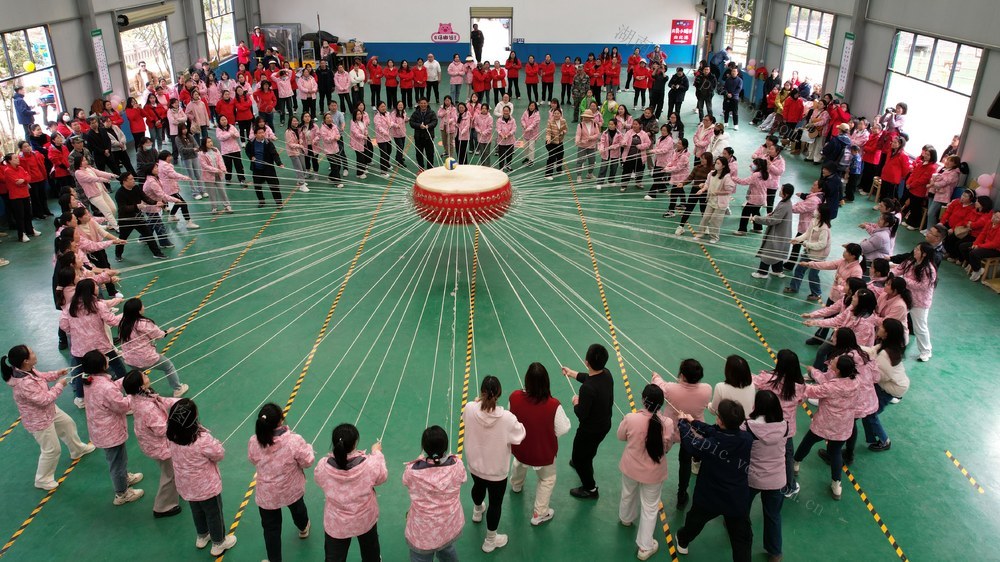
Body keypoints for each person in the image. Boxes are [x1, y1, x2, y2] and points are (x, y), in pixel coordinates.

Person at [2, 345, 95, 490]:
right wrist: (59, 385)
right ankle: (42, 479)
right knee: (51, 449)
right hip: (38, 420)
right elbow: (45, 399)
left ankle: (77, 449)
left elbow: (42, 376)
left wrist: (57, 373)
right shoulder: (24, 383)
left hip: (48, 411)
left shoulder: (26, 370)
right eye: (31, 352)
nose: (34, 353)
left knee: (67, 424)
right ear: (25, 361)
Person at [674, 400, 753, 561]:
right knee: (742, 539)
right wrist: (694, 422)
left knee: (695, 521)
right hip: (736, 498)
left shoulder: (711, 445)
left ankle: (683, 540)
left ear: (719, 420)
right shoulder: (746, 439)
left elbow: (691, 445)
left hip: (710, 495)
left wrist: (682, 423)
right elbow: (716, 432)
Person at [166, 398, 237, 556]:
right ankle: (219, 543)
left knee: (196, 511)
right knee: (214, 513)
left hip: (187, 486)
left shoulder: (173, 438)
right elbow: (219, 454)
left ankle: (202, 535)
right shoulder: (202, 440)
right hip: (206, 488)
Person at [462, 375, 525, 552]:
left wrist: (475, 403)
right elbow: (520, 435)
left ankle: (477, 510)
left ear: (481, 393)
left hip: (475, 465)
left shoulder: (469, 408)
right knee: (495, 504)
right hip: (497, 471)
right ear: (499, 393)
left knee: (478, 487)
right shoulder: (507, 418)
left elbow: (465, 416)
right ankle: (490, 540)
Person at [248, 403, 314, 562]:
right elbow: (308, 461)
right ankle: (303, 527)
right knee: (298, 510)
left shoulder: (254, 441)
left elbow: (253, 459)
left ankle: (274, 559)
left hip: (267, 494)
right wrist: (309, 448)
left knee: (271, 529)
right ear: (280, 421)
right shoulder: (293, 440)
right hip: (291, 488)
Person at [793, 348, 862, 501]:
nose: (832, 361)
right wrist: (815, 372)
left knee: (808, 441)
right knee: (835, 451)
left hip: (825, 423)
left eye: (834, 362)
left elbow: (811, 390)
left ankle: (795, 463)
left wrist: (793, 383)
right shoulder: (856, 380)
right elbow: (827, 383)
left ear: (837, 370)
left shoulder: (831, 387)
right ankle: (837, 485)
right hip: (843, 425)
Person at [508, 362, 570, 526]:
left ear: (527, 380)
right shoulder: (553, 404)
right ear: (546, 382)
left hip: (521, 448)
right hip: (543, 453)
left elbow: (510, 419)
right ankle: (539, 513)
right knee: (547, 479)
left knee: (518, 463)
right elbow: (563, 429)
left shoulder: (514, 397)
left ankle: (516, 485)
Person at [313, 423, 386, 562]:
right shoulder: (369, 464)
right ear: (355, 444)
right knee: (371, 552)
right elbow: (382, 477)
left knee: (334, 557)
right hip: (364, 518)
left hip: (336, 522)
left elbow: (319, 479)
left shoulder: (324, 465)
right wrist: (377, 453)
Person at [80, 350, 145, 504]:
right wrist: (134, 392)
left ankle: (123, 478)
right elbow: (122, 405)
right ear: (102, 365)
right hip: (109, 432)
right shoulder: (104, 387)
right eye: (105, 358)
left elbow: (109, 388)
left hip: (101, 429)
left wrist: (126, 380)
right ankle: (122, 494)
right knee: (117, 463)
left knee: (119, 459)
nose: (108, 359)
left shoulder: (91, 379)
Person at [618, 384, 674, 561]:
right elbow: (667, 447)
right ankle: (644, 547)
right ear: (661, 404)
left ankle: (626, 518)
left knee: (628, 493)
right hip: (653, 473)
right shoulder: (667, 423)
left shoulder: (630, 418)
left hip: (631, 467)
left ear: (643, 400)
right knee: (650, 508)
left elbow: (621, 436)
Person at [122, 369, 182, 518]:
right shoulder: (146, 408)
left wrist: (180, 402)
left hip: (153, 443)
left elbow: (160, 400)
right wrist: (180, 421)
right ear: (140, 386)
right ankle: (162, 507)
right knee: (169, 475)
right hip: (159, 446)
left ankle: (177, 491)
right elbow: (162, 430)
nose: (147, 375)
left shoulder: (141, 396)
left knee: (173, 470)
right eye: (144, 376)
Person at [402, 426, 466, 562]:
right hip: (449, 524)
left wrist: (419, 462)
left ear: (424, 448)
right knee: (447, 549)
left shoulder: (412, 471)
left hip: (423, 533)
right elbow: (463, 479)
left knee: (420, 558)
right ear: (445, 446)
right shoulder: (457, 465)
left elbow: (406, 481)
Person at [561, 343, 614, 499]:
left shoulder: (587, 389)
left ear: (586, 362)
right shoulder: (606, 373)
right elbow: (589, 377)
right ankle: (583, 461)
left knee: (580, 457)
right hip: (604, 425)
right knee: (589, 451)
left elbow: (582, 415)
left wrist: (576, 403)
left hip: (590, 430)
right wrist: (572, 373)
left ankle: (590, 489)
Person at [752, 350, 806, 499]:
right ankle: (789, 486)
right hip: (786, 429)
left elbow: (752, 381)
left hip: (765, 424)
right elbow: (801, 401)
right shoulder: (800, 385)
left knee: (757, 451)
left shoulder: (768, 379)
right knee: (787, 455)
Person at [744, 390, 790, 562]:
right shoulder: (785, 426)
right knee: (773, 516)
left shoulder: (748, 426)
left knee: (742, 510)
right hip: (777, 479)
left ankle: (742, 538)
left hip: (752, 477)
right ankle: (775, 552)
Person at [119, 297, 188, 397]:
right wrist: (167, 331)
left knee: (138, 377)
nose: (144, 306)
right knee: (168, 366)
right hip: (146, 358)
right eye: (142, 305)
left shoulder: (123, 323)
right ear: (138, 310)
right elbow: (158, 335)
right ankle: (178, 389)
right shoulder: (144, 323)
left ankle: (134, 397)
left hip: (129, 359)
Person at [893, 242, 937, 362]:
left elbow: (922, 286)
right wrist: (889, 274)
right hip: (905, 297)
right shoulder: (910, 262)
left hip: (919, 302)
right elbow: (898, 270)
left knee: (920, 327)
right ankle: (898, 346)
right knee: (899, 321)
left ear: (924, 254)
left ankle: (926, 351)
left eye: (918, 249)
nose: (915, 251)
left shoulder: (929, 269)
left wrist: (903, 280)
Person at [785, 207, 833, 301]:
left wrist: (807, 244)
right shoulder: (814, 221)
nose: (815, 211)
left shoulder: (824, 229)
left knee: (813, 275)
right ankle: (794, 287)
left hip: (819, 255)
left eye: (817, 210)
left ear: (821, 214)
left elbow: (822, 244)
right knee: (799, 269)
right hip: (809, 251)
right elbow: (807, 234)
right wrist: (797, 240)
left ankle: (816, 293)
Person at [751, 183, 795, 277]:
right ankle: (777, 271)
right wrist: (773, 213)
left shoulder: (784, 205)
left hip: (778, 233)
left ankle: (762, 273)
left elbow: (773, 220)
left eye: (781, 190)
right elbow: (777, 215)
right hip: (782, 232)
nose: (779, 191)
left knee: (769, 251)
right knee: (777, 252)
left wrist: (756, 218)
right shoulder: (785, 202)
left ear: (786, 194)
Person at [245, 126, 285, 209]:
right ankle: (261, 200)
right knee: (257, 186)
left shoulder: (268, 143)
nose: (262, 134)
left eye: (263, 132)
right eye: (259, 133)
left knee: (274, 185)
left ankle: (279, 202)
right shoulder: (251, 142)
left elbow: (274, 154)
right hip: (257, 169)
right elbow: (247, 150)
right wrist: (251, 157)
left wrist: (279, 163)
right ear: (255, 134)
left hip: (268, 169)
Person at [410, 98, 438, 170]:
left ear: (427, 103)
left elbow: (435, 121)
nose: (423, 105)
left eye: (424, 103)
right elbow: (411, 122)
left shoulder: (431, 112)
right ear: (419, 104)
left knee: (430, 154)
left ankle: (430, 168)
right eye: (421, 103)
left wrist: (429, 126)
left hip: (429, 137)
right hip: (418, 137)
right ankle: (421, 168)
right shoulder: (415, 113)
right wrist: (419, 126)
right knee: (419, 154)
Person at [544, 107, 567, 180]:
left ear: (561, 114)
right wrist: (548, 139)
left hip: (559, 142)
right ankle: (548, 174)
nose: (556, 115)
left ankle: (559, 170)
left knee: (560, 156)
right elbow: (548, 132)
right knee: (552, 157)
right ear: (553, 114)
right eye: (555, 113)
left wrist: (563, 132)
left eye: (558, 113)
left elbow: (566, 129)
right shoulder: (550, 122)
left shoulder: (563, 121)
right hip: (551, 143)